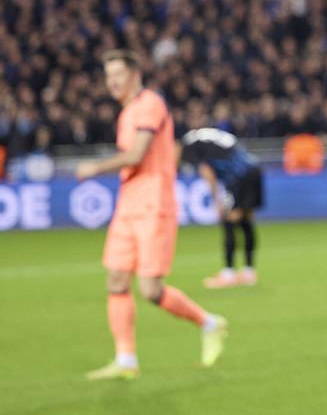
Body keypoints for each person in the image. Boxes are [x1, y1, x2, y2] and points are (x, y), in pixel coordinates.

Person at [76, 50, 227, 380]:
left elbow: (136, 154)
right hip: (128, 204)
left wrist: (95, 168)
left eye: (118, 74)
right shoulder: (126, 113)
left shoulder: (150, 104)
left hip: (153, 206)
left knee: (150, 290)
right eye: (108, 76)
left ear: (135, 75)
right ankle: (126, 360)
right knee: (116, 279)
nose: (112, 82)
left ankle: (209, 323)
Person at [179, 127, 265, 288]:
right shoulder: (203, 136)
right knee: (246, 221)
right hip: (253, 169)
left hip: (238, 176)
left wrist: (216, 201)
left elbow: (208, 173)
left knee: (228, 221)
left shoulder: (189, 146)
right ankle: (249, 273)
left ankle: (229, 273)